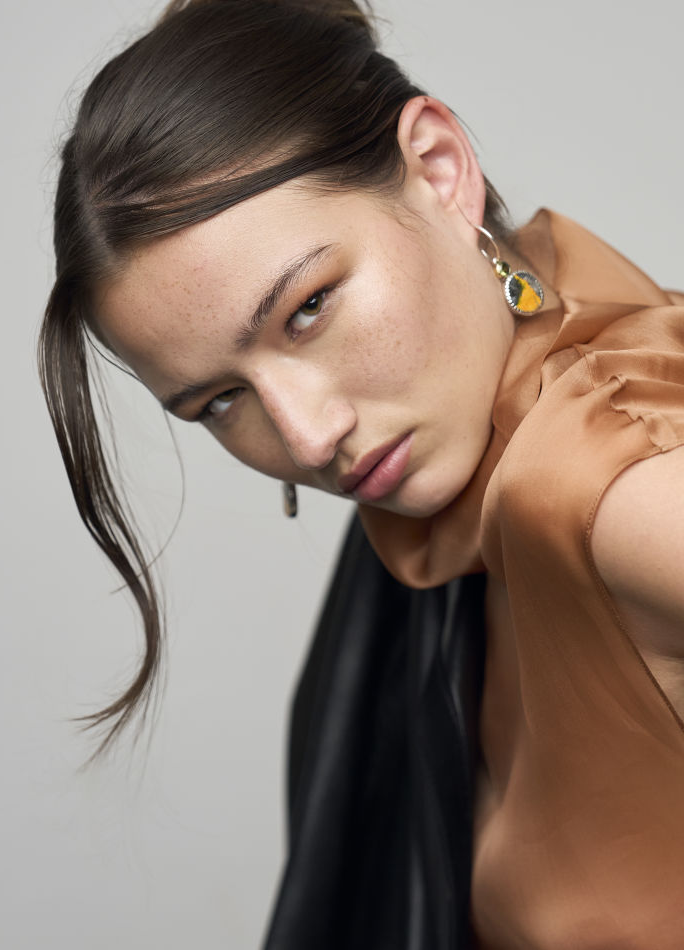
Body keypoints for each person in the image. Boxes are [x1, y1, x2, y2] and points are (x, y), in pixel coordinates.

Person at [39, 0, 684, 946]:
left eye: (307, 309)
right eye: (218, 401)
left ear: (440, 169)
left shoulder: (620, 491)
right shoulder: (471, 481)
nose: (306, 439)